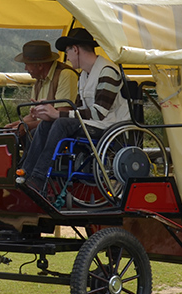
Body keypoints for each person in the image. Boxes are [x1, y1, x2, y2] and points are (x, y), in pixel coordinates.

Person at [19, 28, 131, 191]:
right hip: (93, 124)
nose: (68, 58)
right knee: (45, 125)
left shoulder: (107, 71)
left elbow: (98, 113)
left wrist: (57, 114)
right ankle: (25, 173)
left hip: (111, 127)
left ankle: (39, 177)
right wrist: (47, 111)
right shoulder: (84, 75)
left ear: (75, 49)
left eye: (67, 52)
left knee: (61, 123)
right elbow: (78, 108)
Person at [6, 40, 77, 136]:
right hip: (44, 131)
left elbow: (62, 115)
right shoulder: (38, 81)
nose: (25, 69)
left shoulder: (65, 75)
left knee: (34, 132)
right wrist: (17, 125)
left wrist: (27, 127)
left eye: (27, 64)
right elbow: (33, 116)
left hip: (61, 133)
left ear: (39, 65)